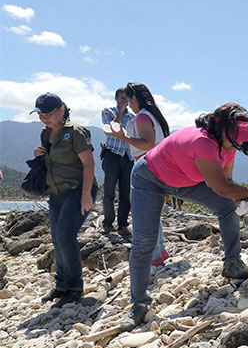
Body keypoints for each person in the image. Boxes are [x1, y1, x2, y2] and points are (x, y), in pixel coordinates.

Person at [122, 102, 248, 329]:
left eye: (242, 136)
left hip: (182, 181)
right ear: (220, 127)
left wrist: (247, 197)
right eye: (235, 135)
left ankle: (232, 262)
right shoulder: (202, 142)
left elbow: (227, 184)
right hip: (148, 178)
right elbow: (222, 188)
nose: (239, 141)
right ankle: (138, 304)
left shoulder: (229, 145)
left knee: (226, 206)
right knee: (145, 241)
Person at [31, 93, 97, 307]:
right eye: (40, 114)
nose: (44, 118)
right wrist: (38, 152)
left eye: (48, 114)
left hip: (78, 189)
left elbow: (89, 163)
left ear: (61, 110)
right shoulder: (45, 133)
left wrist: (86, 195)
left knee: (66, 235)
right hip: (56, 192)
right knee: (57, 238)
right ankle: (61, 285)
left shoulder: (76, 132)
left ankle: (75, 287)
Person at [105, 82, 171, 267]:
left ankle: (154, 256)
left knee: (144, 213)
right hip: (158, 164)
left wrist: (122, 137)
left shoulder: (142, 117)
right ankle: (159, 251)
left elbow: (147, 143)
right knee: (152, 211)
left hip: (147, 164)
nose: (127, 103)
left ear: (134, 98)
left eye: (128, 98)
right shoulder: (153, 115)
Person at [100, 88, 135, 236]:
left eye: (126, 99)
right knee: (108, 192)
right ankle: (108, 223)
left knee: (126, 194)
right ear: (115, 98)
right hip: (112, 155)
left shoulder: (133, 117)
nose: (124, 101)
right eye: (121, 98)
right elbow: (110, 130)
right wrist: (120, 112)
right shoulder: (108, 112)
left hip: (127, 156)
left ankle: (122, 225)